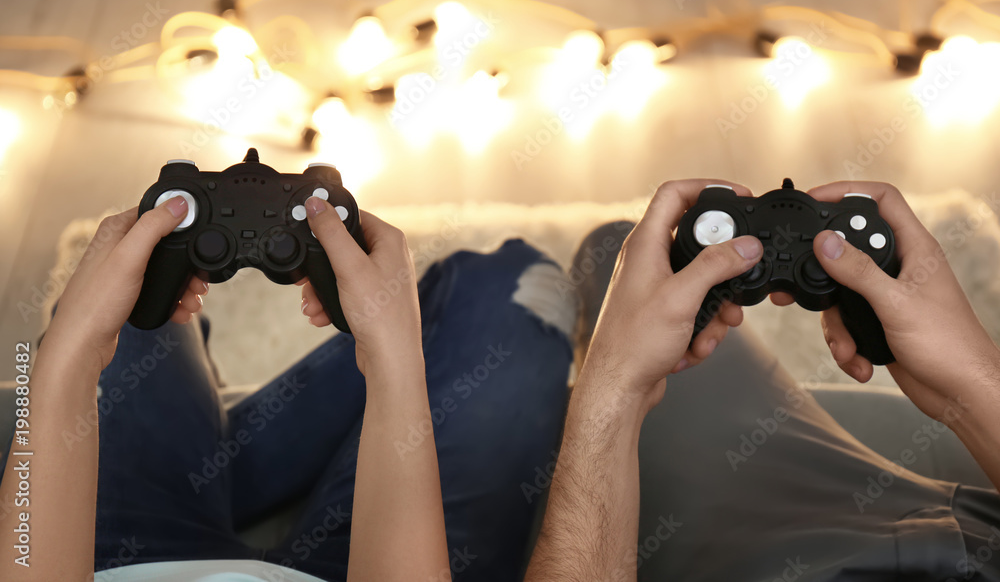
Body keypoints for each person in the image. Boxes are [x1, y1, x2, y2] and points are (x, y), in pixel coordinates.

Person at [0, 194, 575, 582]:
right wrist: (393, 358)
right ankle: (205, 450)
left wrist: (60, 367)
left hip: (113, 561)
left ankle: (204, 452)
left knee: (134, 299)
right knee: (519, 284)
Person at [524, 179, 1000, 580]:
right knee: (637, 258)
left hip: (747, 547)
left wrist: (612, 391)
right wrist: (973, 383)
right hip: (946, 525)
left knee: (620, 252)